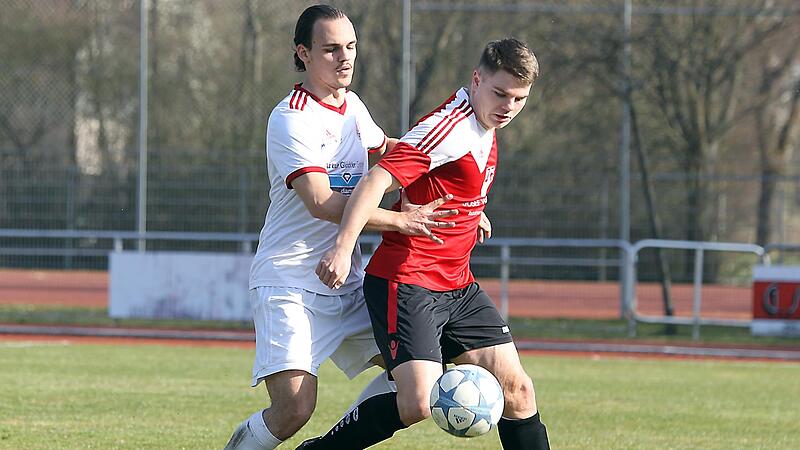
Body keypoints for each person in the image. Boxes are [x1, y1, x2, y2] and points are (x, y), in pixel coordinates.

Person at [223, 5, 458, 449]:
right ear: (304, 53)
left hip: (346, 283)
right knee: (294, 410)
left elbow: (394, 154)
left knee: (416, 377)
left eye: (350, 46)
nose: (345, 57)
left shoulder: (353, 106)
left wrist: (459, 193)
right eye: (331, 48)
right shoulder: (291, 117)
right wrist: (400, 221)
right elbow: (322, 202)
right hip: (291, 282)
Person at [304, 38, 549, 449]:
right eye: (500, 94)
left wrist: (472, 210)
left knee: (518, 392)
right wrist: (343, 248)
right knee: (418, 401)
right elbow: (375, 180)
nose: (508, 106)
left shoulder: (486, 122)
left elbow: (447, 178)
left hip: (458, 286)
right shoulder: (449, 127)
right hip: (407, 283)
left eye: (519, 99)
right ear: (477, 80)